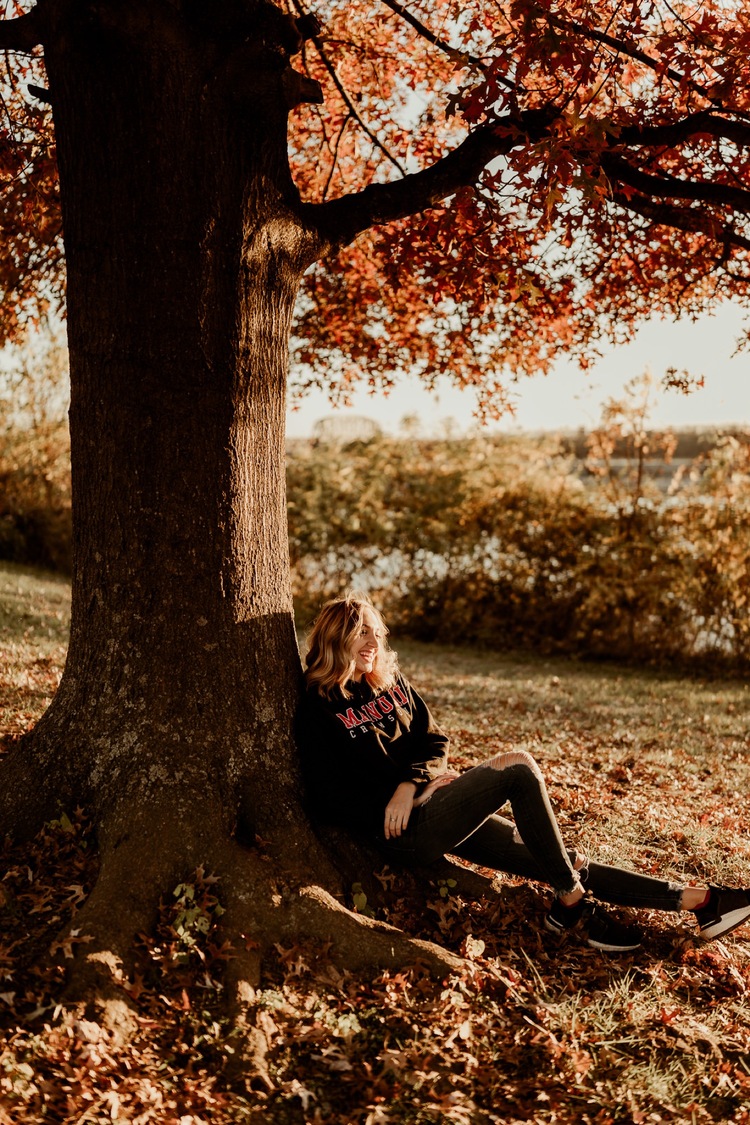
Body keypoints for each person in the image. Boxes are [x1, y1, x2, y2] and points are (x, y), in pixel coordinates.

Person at [296, 592, 750, 953]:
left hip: (440, 807)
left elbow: (434, 742)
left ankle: (701, 901)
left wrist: (416, 782)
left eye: (376, 632)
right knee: (517, 768)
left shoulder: (392, 687)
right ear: (337, 638)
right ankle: (572, 903)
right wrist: (400, 798)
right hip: (402, 832)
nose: (372, 643)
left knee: (558, 858)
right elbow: (326, 794)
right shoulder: (319, 704)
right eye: (360, 634)